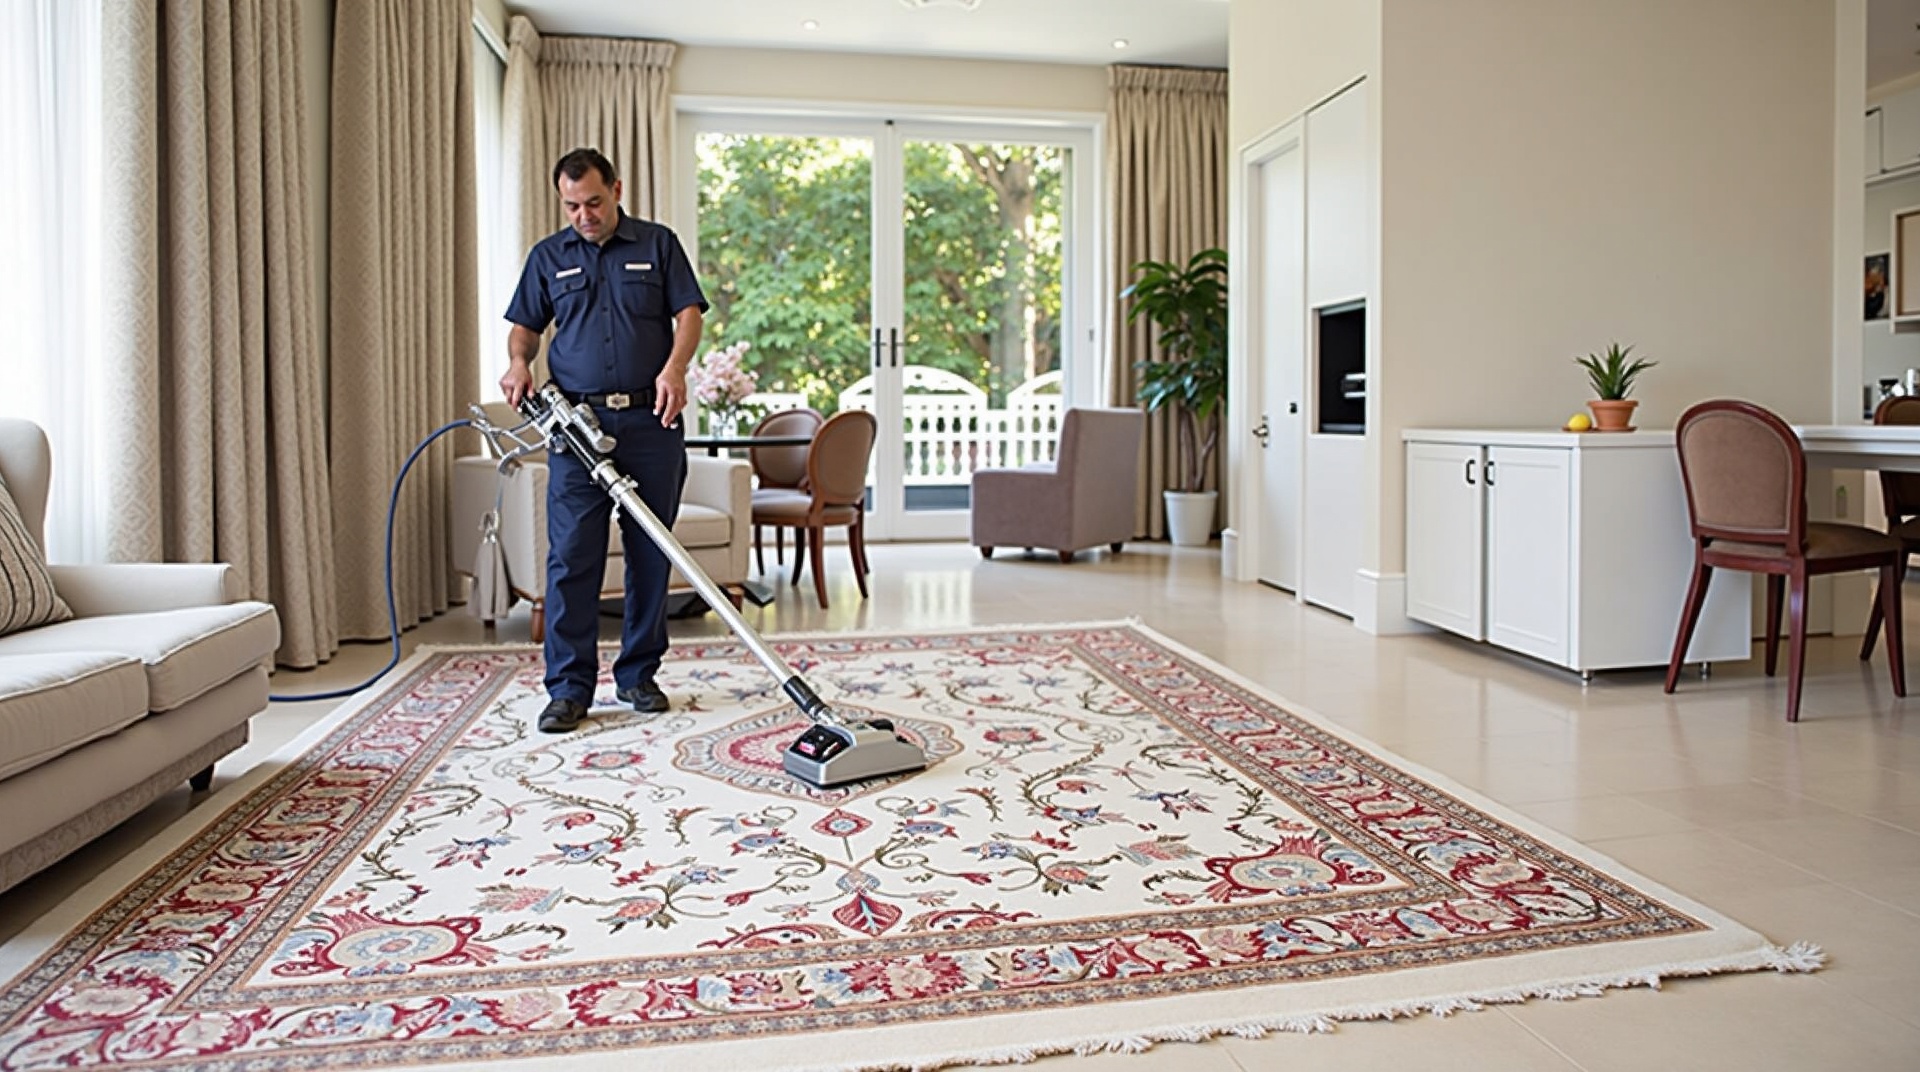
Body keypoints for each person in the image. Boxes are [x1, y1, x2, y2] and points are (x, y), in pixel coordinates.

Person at [501, 147, 707, 733]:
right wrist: (518, 364)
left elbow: (688, 313)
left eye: (593, 202)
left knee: (650, 553)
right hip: (577, 430)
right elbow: (525, 330)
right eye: (572, 206)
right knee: (571, 558)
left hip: (651, 421)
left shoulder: (657, 244)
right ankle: (569, 688)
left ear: (616, 189)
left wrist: (675, 368)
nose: (584, 215)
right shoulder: (548, 257)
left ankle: (639, 676)